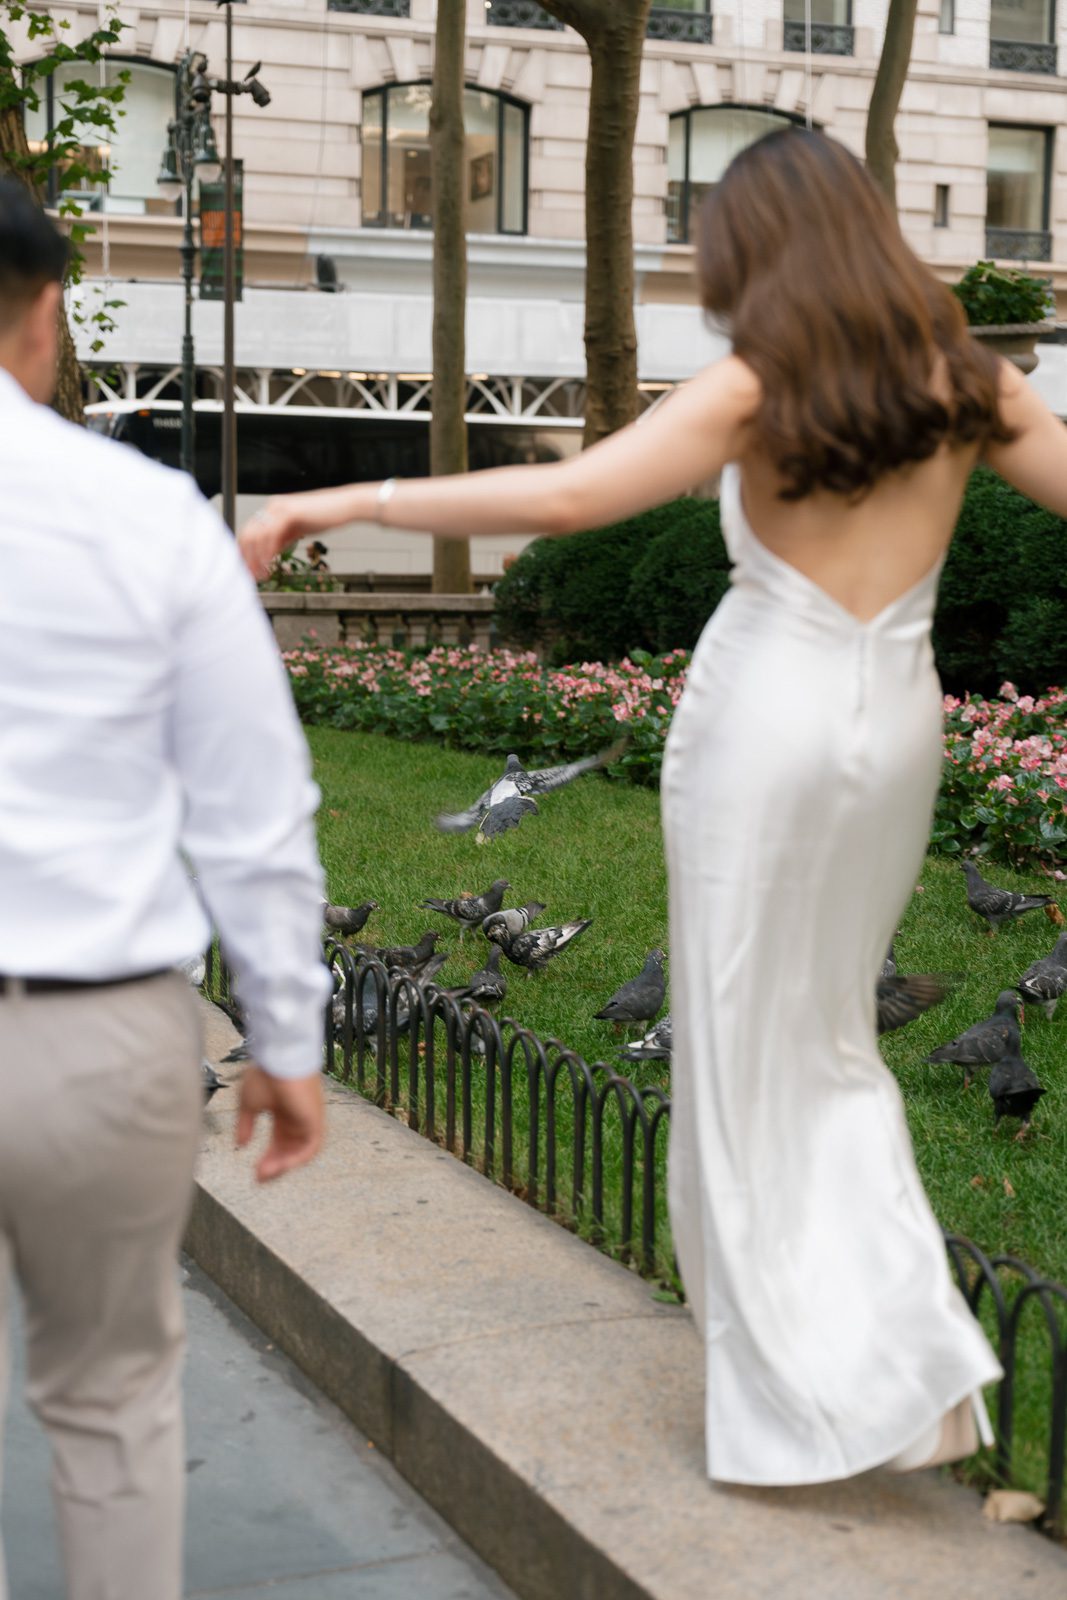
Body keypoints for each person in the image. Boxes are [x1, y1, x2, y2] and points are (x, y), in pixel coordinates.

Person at [239, 129, 1067, 1485]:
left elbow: (571, 492)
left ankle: (825, 1395)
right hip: (897, 728)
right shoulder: (969, 385)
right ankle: (902, 1379)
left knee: (744, 1055)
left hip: (766, 723)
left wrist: (339, 495)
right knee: (830, 1048)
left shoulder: (762, 383)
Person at [0, 178, 330, 1600]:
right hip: (101, 1032)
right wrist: (289, 1041)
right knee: (115, 1404)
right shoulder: (146, 516)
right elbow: (254, 811)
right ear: (48, 312)